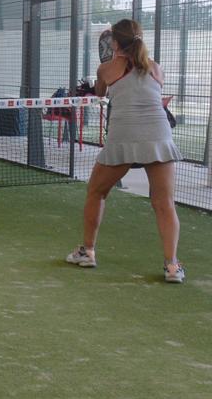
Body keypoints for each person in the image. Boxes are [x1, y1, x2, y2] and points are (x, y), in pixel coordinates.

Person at [66, 19, 184, 283]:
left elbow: (100, 92)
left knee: (96, 192)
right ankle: (172, 267)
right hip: (158, 134)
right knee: (164, 203)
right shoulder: (156, 69)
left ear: (115, 43)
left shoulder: (106, 69)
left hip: (124, 136)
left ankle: (87, 252)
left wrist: (97, 81)